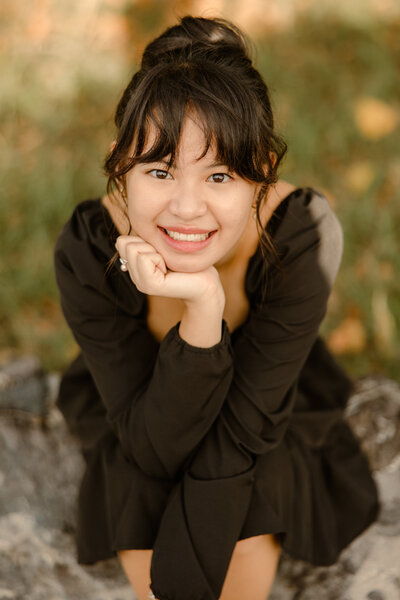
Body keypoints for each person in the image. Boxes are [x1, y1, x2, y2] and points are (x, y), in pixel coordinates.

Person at [54, 15, 379, 600]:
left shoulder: (301, 235)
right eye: (158, 170)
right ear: (120, 164)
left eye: (221, 175)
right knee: (133, 482)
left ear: (263, 176)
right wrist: (203, 315)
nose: (186, 208)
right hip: (142, 411)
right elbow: (153, 447)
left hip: (261, 404)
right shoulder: (88, 250)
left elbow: (237, 440)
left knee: (259, 479)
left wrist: (178, 588)